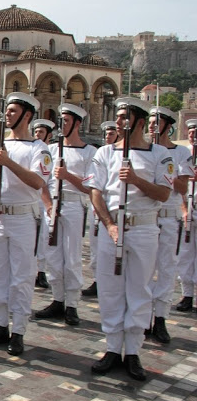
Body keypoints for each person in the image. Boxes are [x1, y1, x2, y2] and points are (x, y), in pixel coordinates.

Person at [85, 97, 171, 381]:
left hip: (144, 227)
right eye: (119, 116)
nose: (119, 121)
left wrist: (135, 180)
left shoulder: (160, 155)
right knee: (110, 289)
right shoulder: (105, 153)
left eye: (125, 116)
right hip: (113, 228)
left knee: (139, 289)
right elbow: (96, 191)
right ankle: (111, 348)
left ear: (140, 122)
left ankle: (133, 351)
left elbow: (163, 194)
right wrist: (109, 224)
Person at [0, 92, 52, 355]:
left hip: (23, 218)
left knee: (21, 275)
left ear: (27, 116)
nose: (7, 115)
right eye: (6, 111)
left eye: (13, 111)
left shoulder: (39, 148)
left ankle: (18, 329)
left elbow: (38, 182)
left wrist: (8, 162)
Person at [35, 104, 95, 326]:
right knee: (52, 255)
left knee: (71, 257)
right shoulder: (50, 149)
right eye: (61, 120)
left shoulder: (90, 152)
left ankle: (72, 303)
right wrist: (48, 205)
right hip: (51, 205)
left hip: (73, 205)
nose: (63, 125)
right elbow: (41, 181)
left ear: (78, 124)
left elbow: (90, 187)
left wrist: (68, 175)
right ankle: (57, 299)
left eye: (67, 121)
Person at [145, 106, 191, 343]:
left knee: (166, 267)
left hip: (169, 214)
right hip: (147, 215)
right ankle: (142, 318)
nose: (152, 125)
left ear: (168, 125)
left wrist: (166, 174)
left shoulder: (181, 153)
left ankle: (160, 318)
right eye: (150, 121)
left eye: (156, 122)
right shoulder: (145, 150)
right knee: (143, 270)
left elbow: (182, 187)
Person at [82, 120, 119, 297]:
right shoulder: (102, 154)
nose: (107, 137)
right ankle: (98, 279)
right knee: (97, 246)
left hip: (113, 209)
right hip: (97, 206)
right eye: (106, 134)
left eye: (111, 134)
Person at [32, 119, 56, 289]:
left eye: (41, 132)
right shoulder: (35, 149)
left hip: (48, 198)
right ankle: (34, 269)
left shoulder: (52, 150)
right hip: (34, 197)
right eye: (36, 132)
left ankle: (41, 271)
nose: (37, 135)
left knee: (44, 237)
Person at [177, 119, 197, 312]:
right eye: (190, 131)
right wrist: (183, 209)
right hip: (187, 208)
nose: (193, 134)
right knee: (185, 255)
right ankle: (187, 294)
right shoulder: (184, 154)